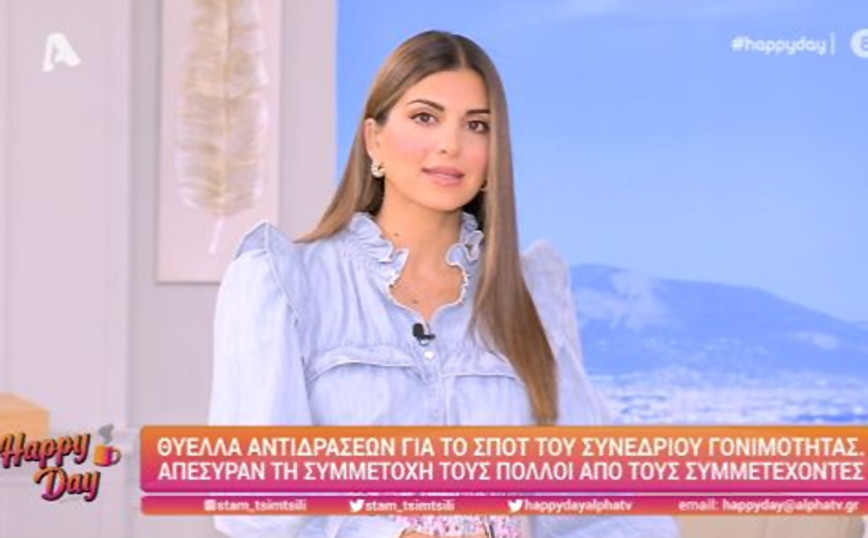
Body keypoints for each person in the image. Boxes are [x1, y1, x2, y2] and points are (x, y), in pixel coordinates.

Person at [209, 30, 680, 538]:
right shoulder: (281, 282)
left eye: (476, 125)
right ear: (374, 139)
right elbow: (254, 506)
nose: (450, 144)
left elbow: (598, 504)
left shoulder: (531, 293)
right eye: (424, 117)